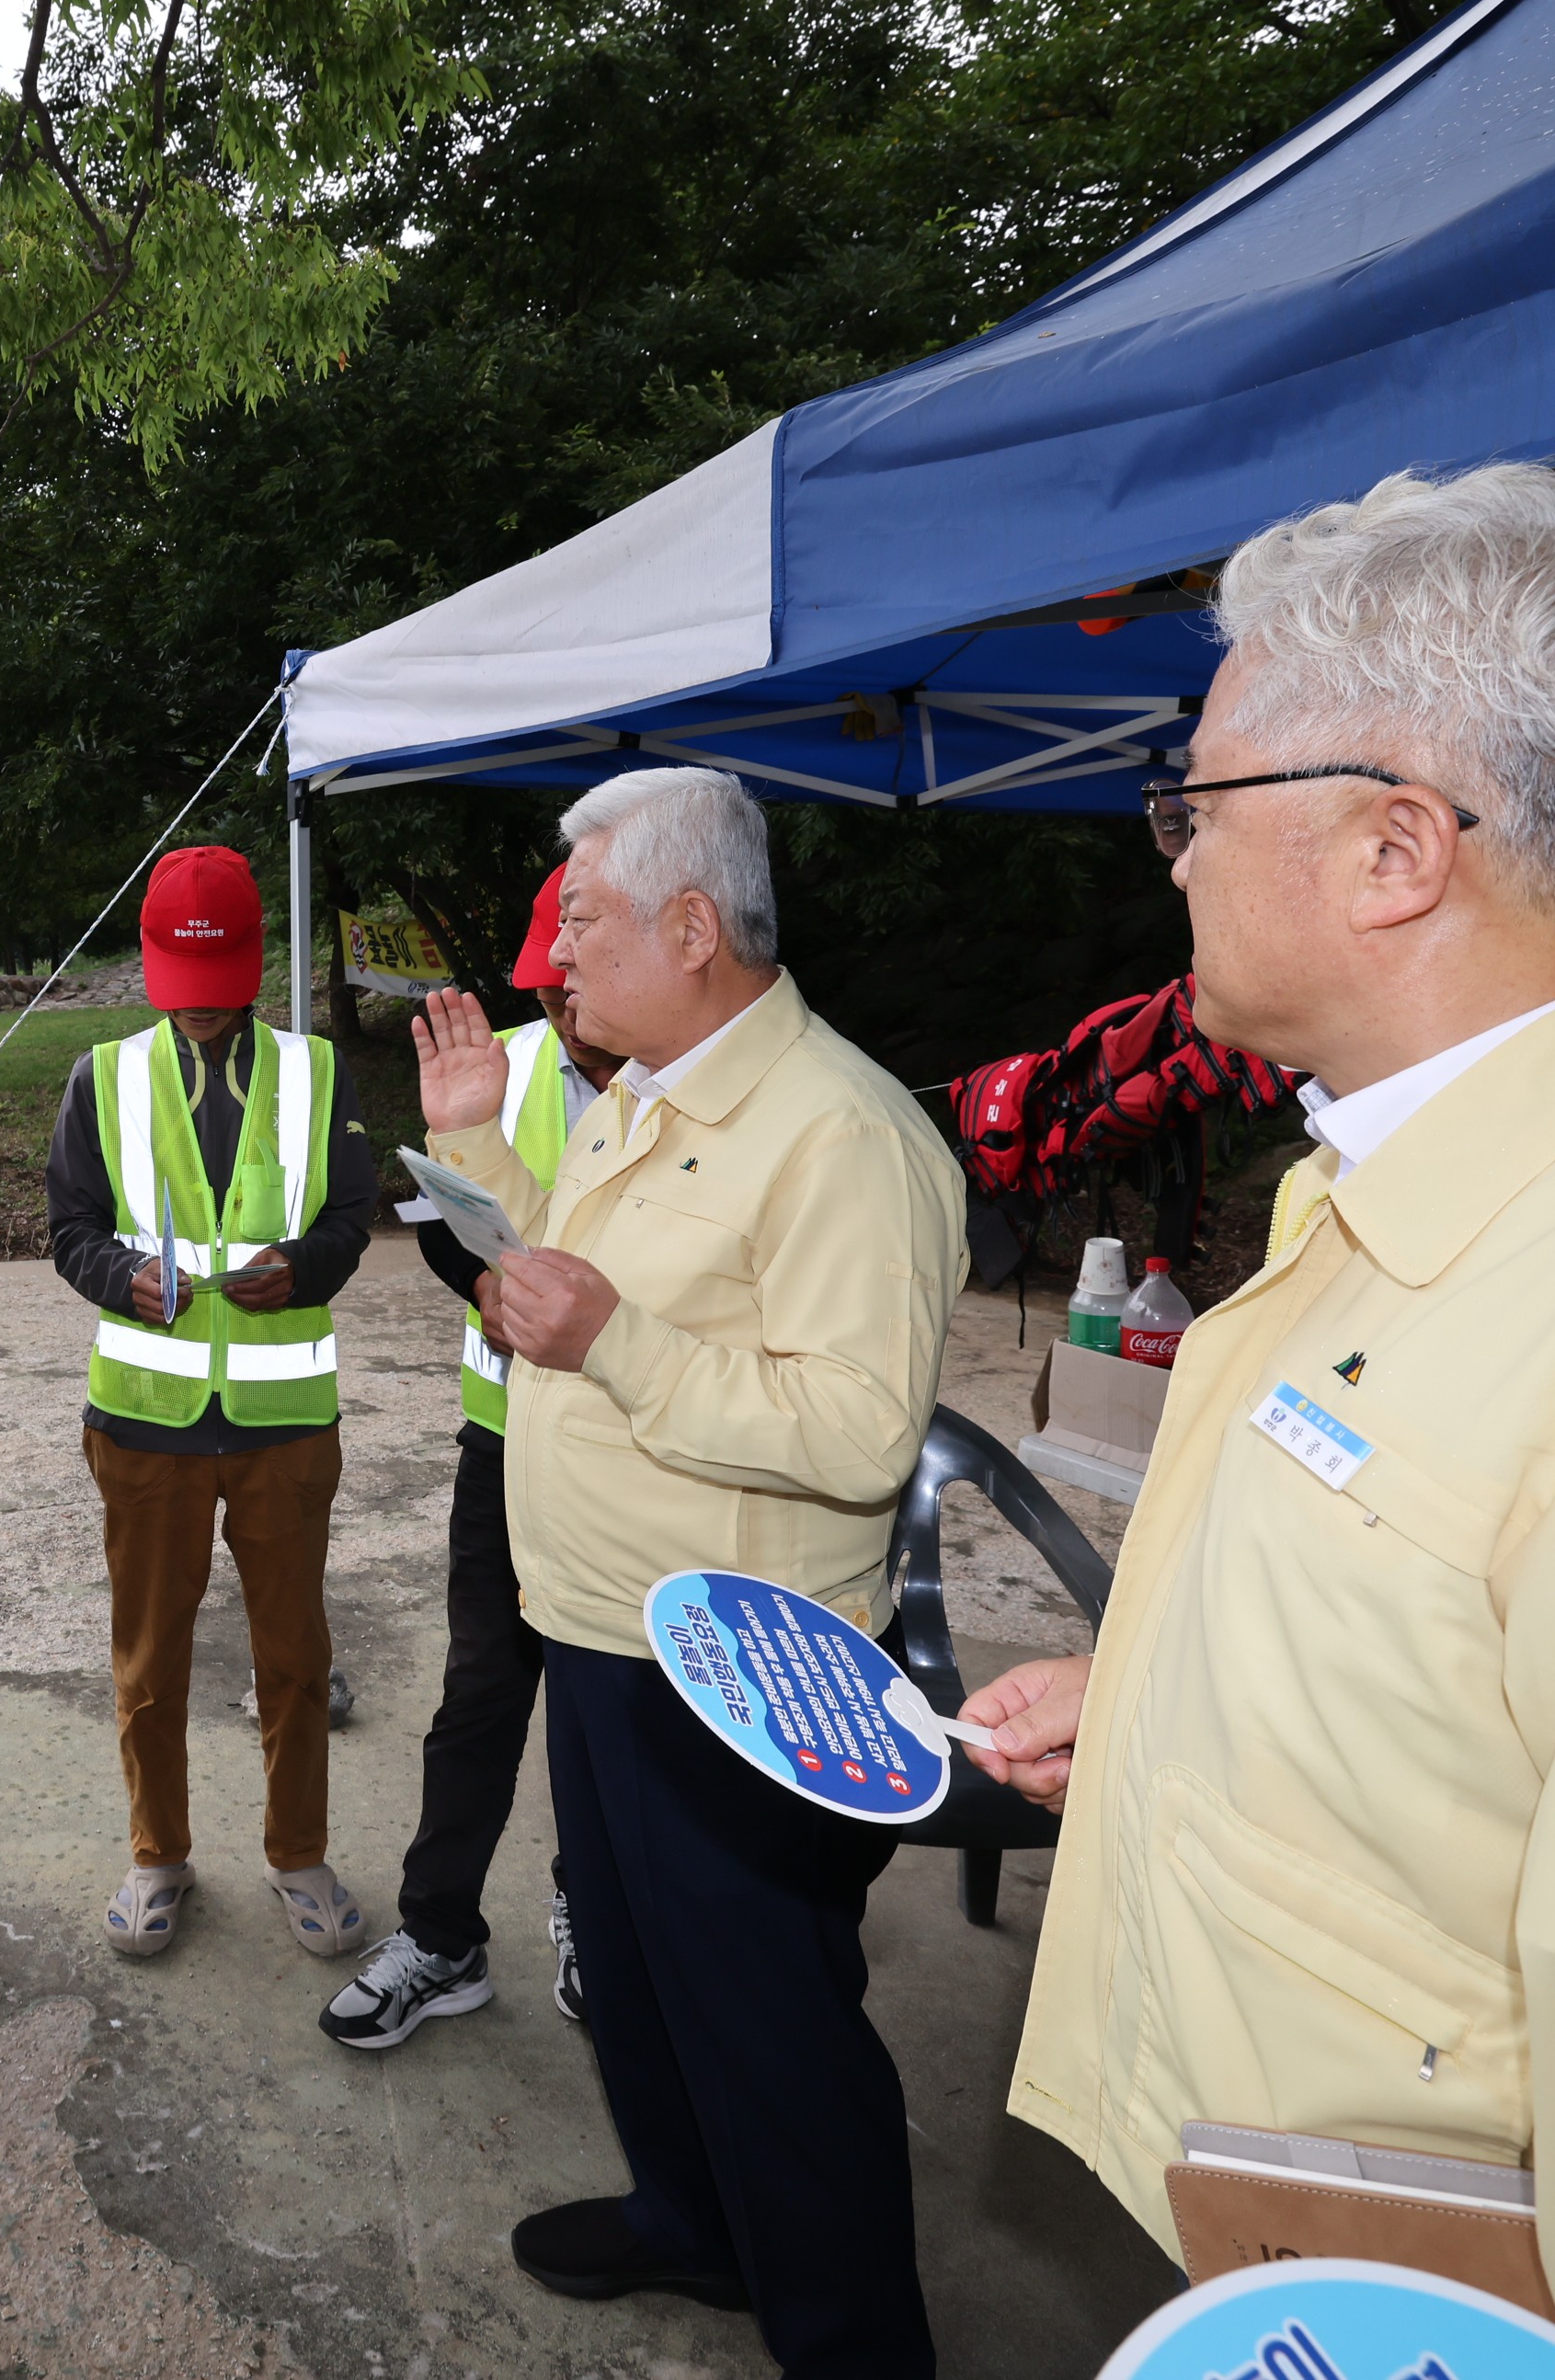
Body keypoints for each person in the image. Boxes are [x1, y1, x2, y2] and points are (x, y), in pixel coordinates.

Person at [959, 466, 1555, 2378]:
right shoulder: (1389, 1188)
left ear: (1394, 849)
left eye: (1195, 804)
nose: (1171, 858)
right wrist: (1160, 1699)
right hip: (1294, 2284)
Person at [413, 767, 966, 2377]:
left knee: (766, 2027)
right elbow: (570, 1280)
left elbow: (856, 1432)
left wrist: (616, 1343)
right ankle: (693, 2220)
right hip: (601, 1629)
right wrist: (479, 1158)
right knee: (641, 1975)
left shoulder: (841, 1133)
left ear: (689, 926)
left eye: (580, 920)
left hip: (735, 1669)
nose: (556, 955)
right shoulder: (644, 1091)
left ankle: (852, 2342)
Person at [46, 843, 381, 1960]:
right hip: (146, 1421)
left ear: (255, 960)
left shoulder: (318, 1072)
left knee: (295, 1653)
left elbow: (351, 1214)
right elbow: (69, 1227)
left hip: (286, 1425)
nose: (198, 1007)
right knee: (151, 1658)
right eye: (181, 983)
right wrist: (120, 1278)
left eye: (219, 981)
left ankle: (299, 1852)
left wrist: (306, 1266)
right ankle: (158, 1852)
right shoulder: (102, 1075)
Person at [323, 862, 621, 2050]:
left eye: (574, 981)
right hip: (506, 1439)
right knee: (481, 1692)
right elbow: (447, 1218)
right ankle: (438, 1933)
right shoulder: (497, 1063)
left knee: (608, 1707)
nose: (562, 1008)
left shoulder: (695, 1089)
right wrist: (485, 1287)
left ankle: (593, 1910)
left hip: (640, 1452)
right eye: (544, 985)